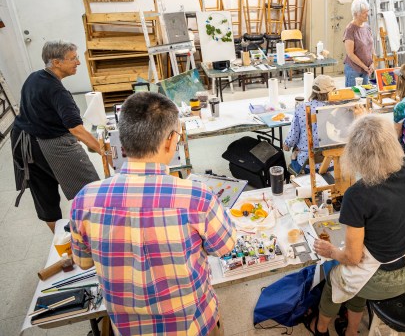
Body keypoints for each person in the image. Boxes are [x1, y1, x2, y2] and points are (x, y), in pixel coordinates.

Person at [70, 92, 236, 336]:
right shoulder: (195, 196)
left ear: (123, 142)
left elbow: (83, 261)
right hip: (193, 326)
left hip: (127, 329)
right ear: (170, 141)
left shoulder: (85, 199)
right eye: (178, 137)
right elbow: (225, 247)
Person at [308, 114, 405, 336]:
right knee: (356, 274)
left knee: (336, 276)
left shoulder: (358, 195)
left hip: (384, 279)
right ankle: (351, 331)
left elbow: (352, 257)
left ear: (355, 154)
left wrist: (331, 251)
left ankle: (320, 328)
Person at [11, 40, 101, 232]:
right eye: (73, 58)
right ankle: (91, 237)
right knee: (91, 191)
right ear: (56, 62)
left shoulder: (34, 78)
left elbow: (38, 112)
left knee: (45, 197)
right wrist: (104, 150)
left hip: (23, 142)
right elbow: (76, 129)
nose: (78, 62)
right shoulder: (58, 91)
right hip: (48, 145)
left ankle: (61, 244)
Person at [283, 75, 336, 174]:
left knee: (294, 154)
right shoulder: (337, 108)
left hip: (307, 165)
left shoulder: (302, 108)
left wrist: (287, 144)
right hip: (331, 162)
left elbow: (294, 135)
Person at [343, 0, 374, 87]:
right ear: (357, 14)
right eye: (365, 12)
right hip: (354, 70)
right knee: (354, 96)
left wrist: (372, 63)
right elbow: (350, 54)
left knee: (364, 95)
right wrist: (364, 67)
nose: (367, 14)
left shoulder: (367, 27)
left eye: (368, 11)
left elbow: (371, 47)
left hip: (366, 69)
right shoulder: (350, 29)